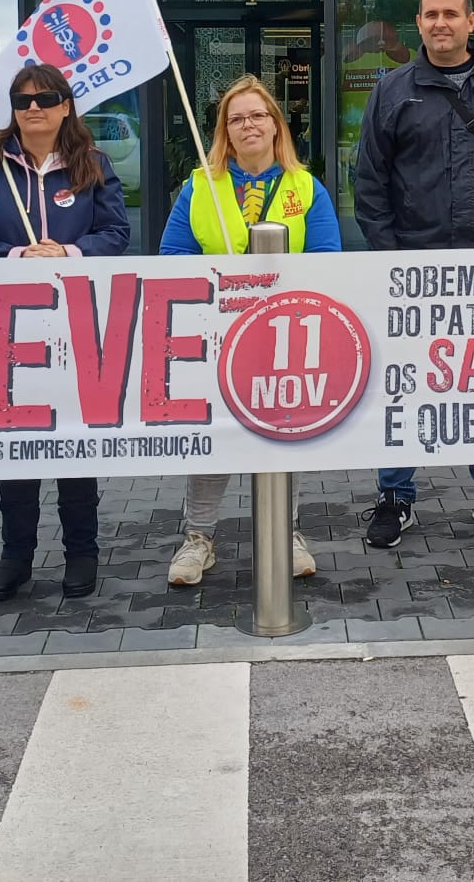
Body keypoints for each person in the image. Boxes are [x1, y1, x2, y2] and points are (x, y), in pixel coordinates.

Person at [353, 0, 474, 548]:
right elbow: (370, 182)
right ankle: (396, 495)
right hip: (413, 269)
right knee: (406, 382)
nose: (441, 24)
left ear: (471, 21)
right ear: (419, 23)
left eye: (451, 14)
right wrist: (392, 260)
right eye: (431, 15)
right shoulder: (393, 90)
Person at [0, 62, 130, 601]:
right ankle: (16, 554)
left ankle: (83, 552)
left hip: (77, 324)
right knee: (19, 446)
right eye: (23, 100)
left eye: (46, 99)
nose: (34, 109)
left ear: (65, 106)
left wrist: (68, 253)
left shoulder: (92, 164)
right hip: (7, 328)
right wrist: (17, 254)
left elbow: (115, 233)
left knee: (75, 440)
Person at [159, 74, 342, 585]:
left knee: (286, 430)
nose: (248, 125)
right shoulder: (200, 186)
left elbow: (328, 258)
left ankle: (287, 531)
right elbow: (172, 258)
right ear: (225, 131)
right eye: (236, 118)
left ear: (276, 125)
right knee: (215, 436)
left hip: (287, 335)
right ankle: (198, 538)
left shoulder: (306, 186)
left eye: (258, 115)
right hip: (217, 336)